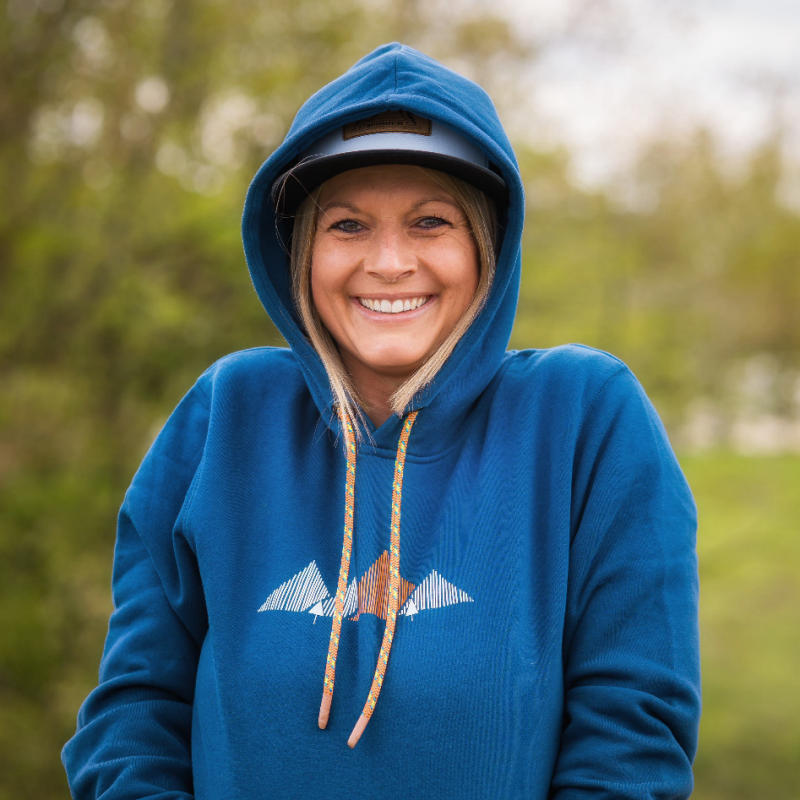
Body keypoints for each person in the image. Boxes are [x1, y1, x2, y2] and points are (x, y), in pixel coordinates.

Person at [62, 43, 701, 799]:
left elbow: (634, 729)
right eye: (348, 226)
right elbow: (134, 711)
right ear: (300, 251)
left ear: (486, 250)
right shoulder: (225, 416)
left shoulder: (585, 416)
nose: (390, 262)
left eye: (431, 222)